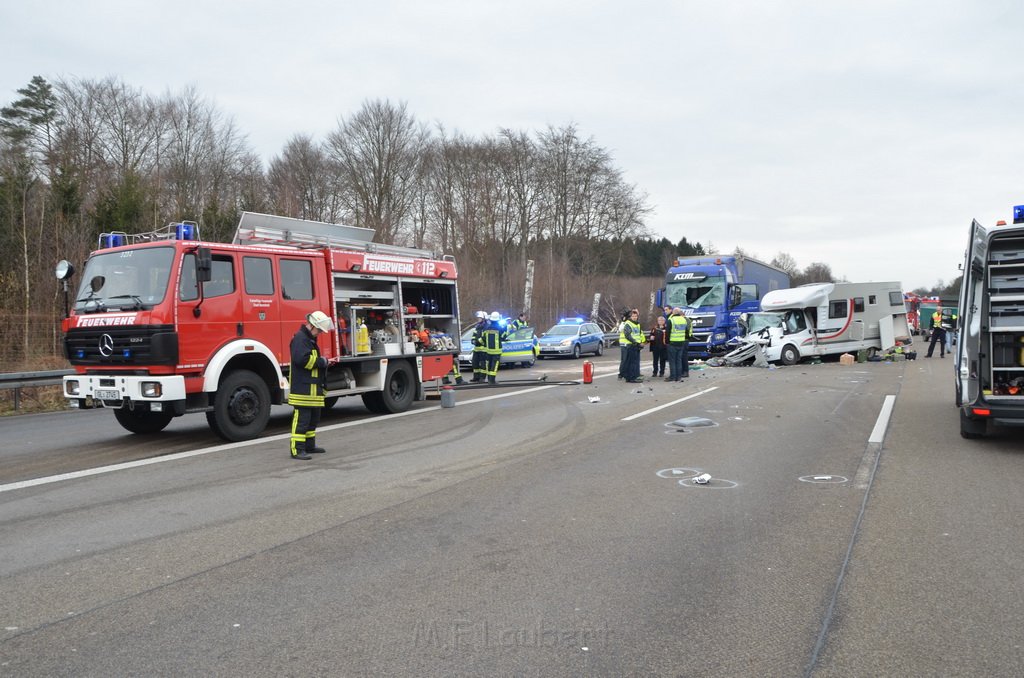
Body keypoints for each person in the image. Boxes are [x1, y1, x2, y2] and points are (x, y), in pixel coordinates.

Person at [288, 310, 334, 460]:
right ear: (313, 326)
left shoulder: (309, 340)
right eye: (319, 330)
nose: (320, 333)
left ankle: (309, 446)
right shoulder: (301, 339)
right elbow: (302, 360)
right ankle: (297, 450)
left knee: (312, 420)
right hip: (303, 390)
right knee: (301, 421)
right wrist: (322, 361)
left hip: (312, 391)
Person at [666, 307, 693, 381]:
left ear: (673, 313)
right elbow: (686, 332)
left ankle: (673, 376)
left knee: (672, 361)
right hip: (681, 342)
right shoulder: (683, 320)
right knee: (678, 360)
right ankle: (678, 376)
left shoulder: (671, 320)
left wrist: (667, 342)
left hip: (672, 342)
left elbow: (667, 332)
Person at [620, 308, 646, 382]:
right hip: (631, 345)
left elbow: (639, 334)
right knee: (631, 362)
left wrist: (642, 342)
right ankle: (631, 377)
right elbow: (628, 335)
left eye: (635, 316)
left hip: (636, 345)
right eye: (633, 316)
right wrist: (636, 343)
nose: (634, 317)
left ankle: (634, 376)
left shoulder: (637, 324)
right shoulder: (628, 324)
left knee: (635, 362)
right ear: (630, 317)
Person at [481, 311, 505, 384]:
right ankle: (492, 381)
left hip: (488, 350)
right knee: (494, 366)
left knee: (489, 365)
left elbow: (483, 338)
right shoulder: (499, 328)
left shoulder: (487, 328)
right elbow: (503, 337)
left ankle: (489, 379)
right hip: (497, 351)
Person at [470, 311, 489, 382]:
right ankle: (476, 377)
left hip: (483, 349)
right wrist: (473, 340)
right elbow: (474, 335)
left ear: (484, 318)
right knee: (475, 363)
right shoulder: (477, 326)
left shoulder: (486, 327)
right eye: (478, 318)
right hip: (476, 349)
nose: (478, 319)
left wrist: (478, 341)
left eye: (479, 318)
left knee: (483, 364)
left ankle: (482, 378)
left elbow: (485, 337)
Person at [617, 309, 631, 379]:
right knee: (624, 359)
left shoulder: (630, 322)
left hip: (629, 343)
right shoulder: (624, 323)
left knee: (628, 359)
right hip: (624, 343)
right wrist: (623, 321)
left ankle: (626, 372)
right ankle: (621, 373)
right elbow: (620, 329)